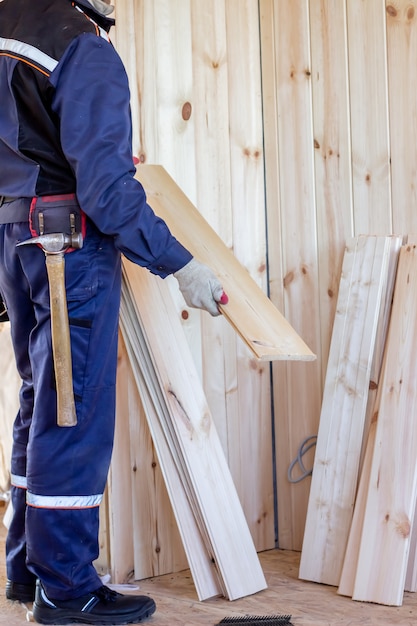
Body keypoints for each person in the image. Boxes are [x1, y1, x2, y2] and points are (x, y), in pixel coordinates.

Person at [0, 0, 227, 623]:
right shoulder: (82, 47)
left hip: (17, 240)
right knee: (73, 414)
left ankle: (26, 572)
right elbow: (105, 188)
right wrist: (179, 264)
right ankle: (67, 591)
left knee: (39, 402)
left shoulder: (5, 31)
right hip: (66, 246)